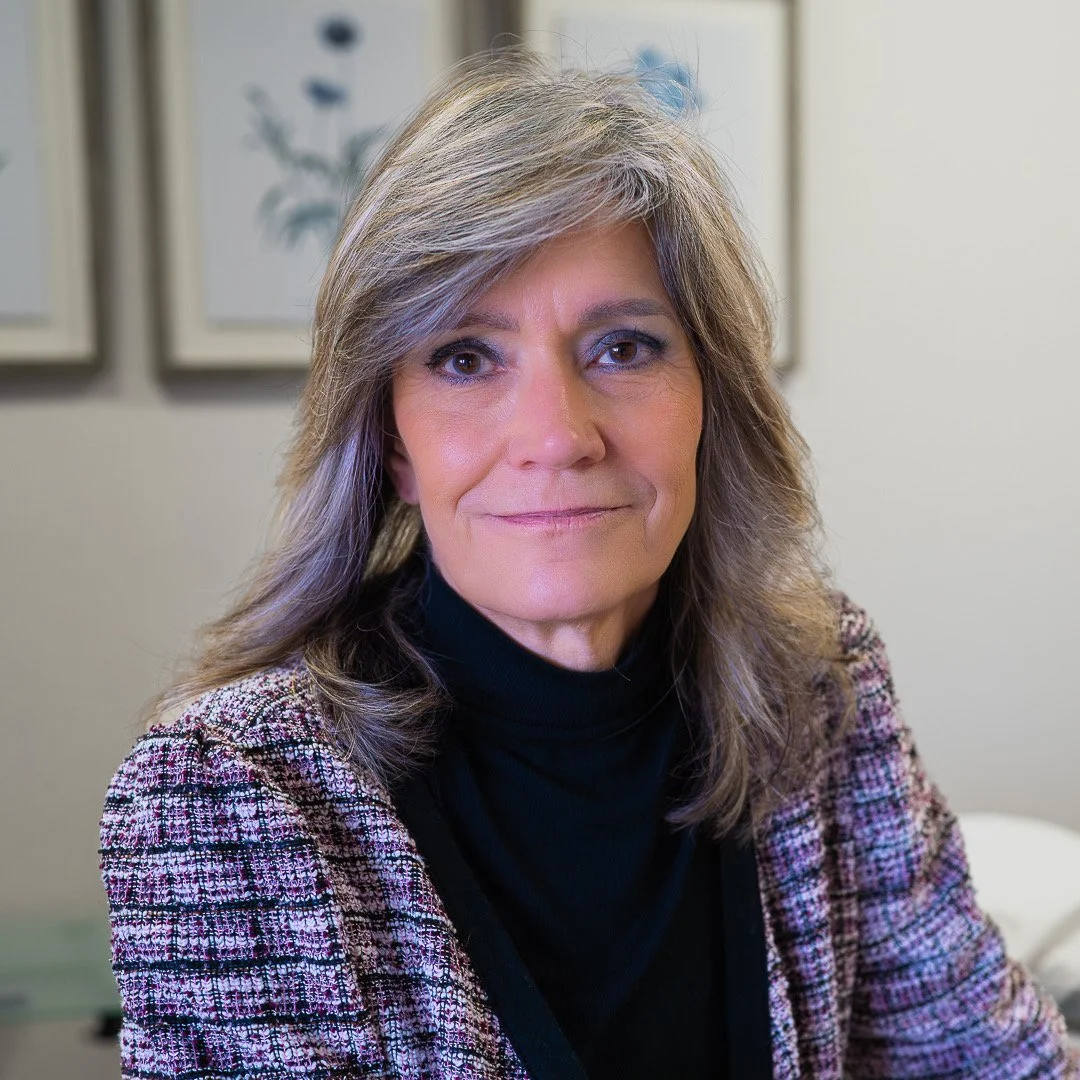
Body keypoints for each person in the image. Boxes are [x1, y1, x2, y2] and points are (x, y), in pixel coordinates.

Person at [100, 50, 1078, 1079]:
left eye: (622, 349)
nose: (558, 435)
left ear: (710, 399)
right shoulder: (224, 793)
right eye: (465, 358)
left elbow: (991, 1057)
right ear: (391, 442)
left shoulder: (817, 689)